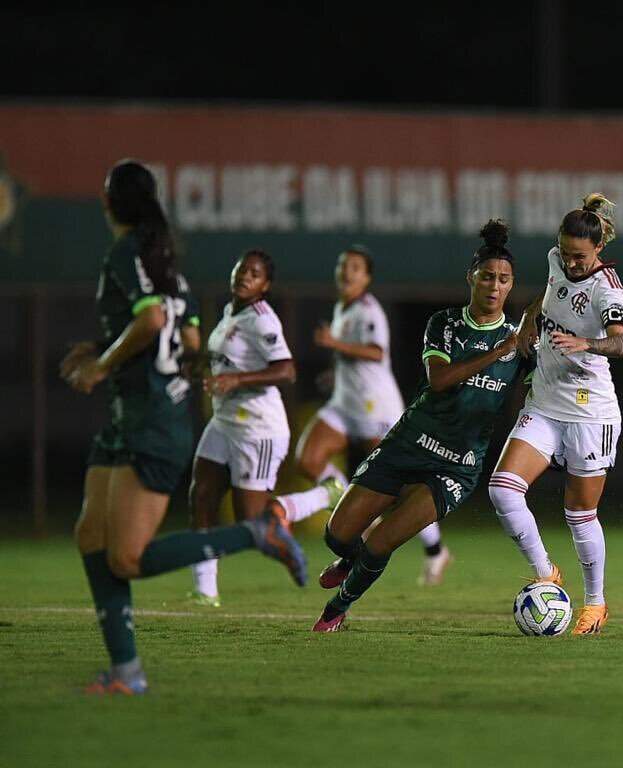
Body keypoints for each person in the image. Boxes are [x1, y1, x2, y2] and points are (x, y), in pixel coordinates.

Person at [60, 160, 307, 695]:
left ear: (109, 204)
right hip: (138, 416)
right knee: (90, 536)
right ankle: (126, 671)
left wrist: (101, 365)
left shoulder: (127, 255)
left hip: (152, 420)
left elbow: (151, 322)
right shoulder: (172, 270)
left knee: (124, 556)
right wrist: (109, 353)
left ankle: (255, 532)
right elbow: (190, 348)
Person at [309, 220, 527, 631]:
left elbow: (540, 383)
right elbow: (440, 380)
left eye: (503, 279)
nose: (494, 286)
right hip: (409, 443)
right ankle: (346, 557)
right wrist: (500, 351)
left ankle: (336, 609)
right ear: (472, 278)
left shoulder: (519, 342)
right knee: (337, 535)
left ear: (511, 285)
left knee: (380, 542)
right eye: (486, 277)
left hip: (456, 466)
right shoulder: (446, 324)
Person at [488, 194, 623, 635]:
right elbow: (549, 297)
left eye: (580, 257)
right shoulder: (556, 261)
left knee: (579, 514)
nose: (571, 264)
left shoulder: (608, 287)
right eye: (565, 253)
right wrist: (530, 319)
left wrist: (586, 343)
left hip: (591, 413)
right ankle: (546, 572)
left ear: (598, 250)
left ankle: (595, 603)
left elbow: (621, 342)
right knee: (503, 491)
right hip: (546, 404)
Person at [293, 245, 452, 586]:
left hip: (374, 407)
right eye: (342, 266)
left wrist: (335, 345)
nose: (346, 272)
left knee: (401, 483)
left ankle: (436, 549)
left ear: (366, 277)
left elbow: (376, 351)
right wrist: (336, 373)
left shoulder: (369, 311)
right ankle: (345, 501)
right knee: (308, 458)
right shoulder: (343, 308)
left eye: (354, 267)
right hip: (343, 403)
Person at [187, 249, 333, 606]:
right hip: (225, 422)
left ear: (265, 285)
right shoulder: (229, 314)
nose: (244, 276)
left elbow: (286, 370)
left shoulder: (261, 319)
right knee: (201, 495)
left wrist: (237, 379)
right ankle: (206, 592)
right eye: (241, 269)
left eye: (254, 273)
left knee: (252, 524)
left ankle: (326, 494)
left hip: (258, 429)